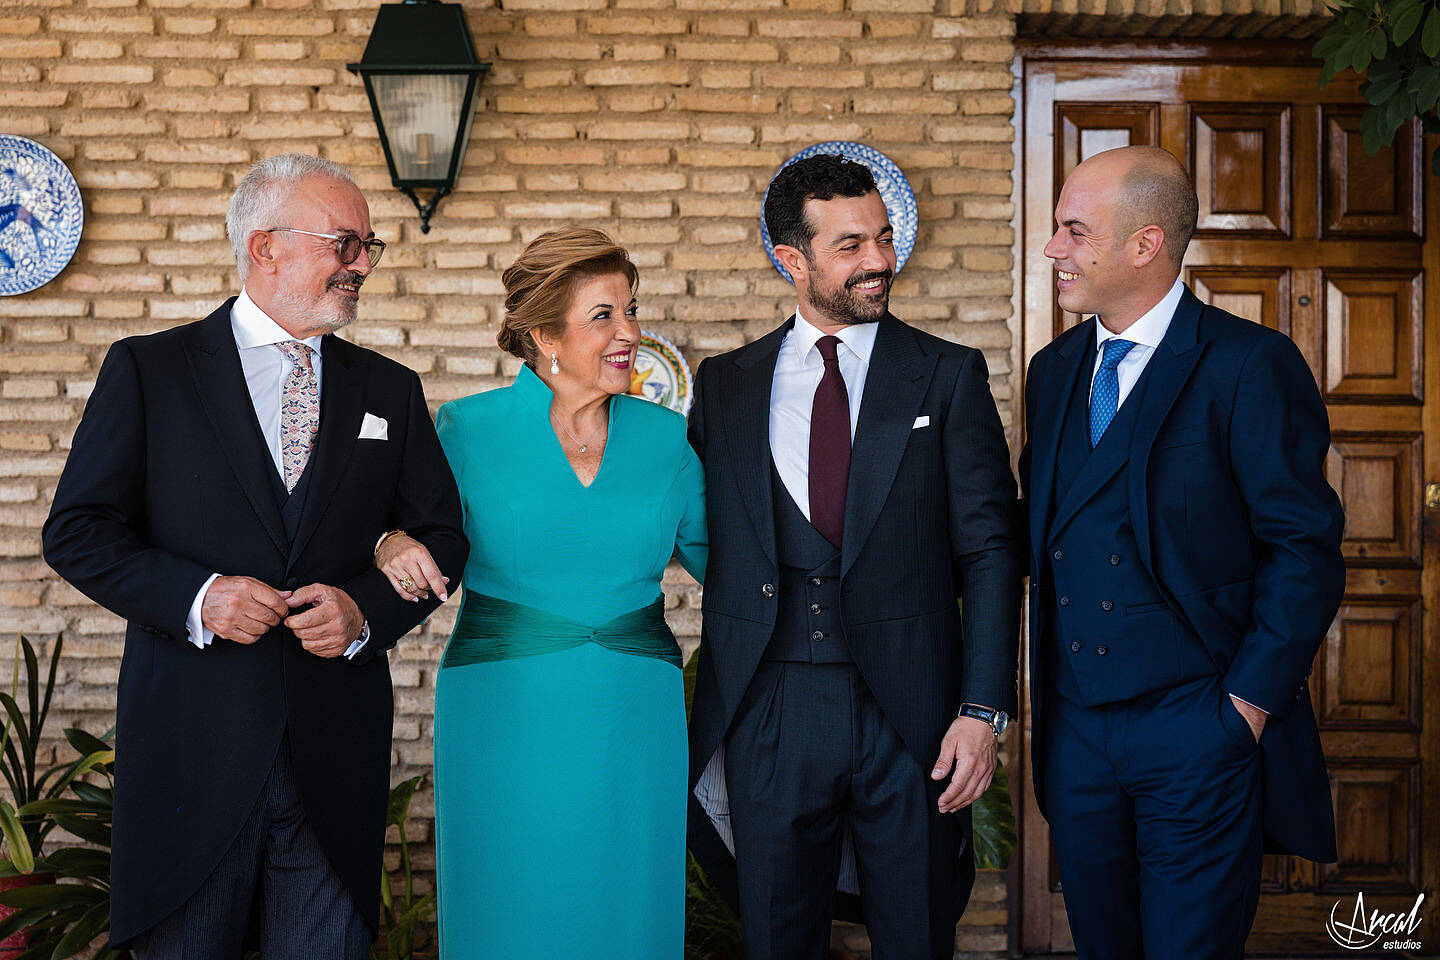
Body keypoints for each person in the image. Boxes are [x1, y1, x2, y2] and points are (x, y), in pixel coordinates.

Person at [41, 153, 468, 959]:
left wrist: (363, 613)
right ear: (265, 247)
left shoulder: (390, 389)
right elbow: (78, 530)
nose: (362, 265)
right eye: (345, 244)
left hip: (332, 757)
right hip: (190, 752)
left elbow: (443, 537)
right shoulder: (150, 370)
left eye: (369, 247)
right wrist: (200, 597)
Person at [685, 154, 1023, 960]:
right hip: (769, 706)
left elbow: (989, 552)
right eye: (849, 245)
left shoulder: (947, 375)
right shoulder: (726, 384)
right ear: (790, 260)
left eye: (882, 237)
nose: (878, 260)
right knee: (777, 936)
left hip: (912, 713)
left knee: (915, 933)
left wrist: (981, 713)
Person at [1019, 145, 1345, 959]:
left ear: (1145, 243)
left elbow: (1304, 547)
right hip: (1079, 736)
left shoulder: (1248, 364)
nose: (1053, 249)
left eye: (1072, 230)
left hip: (1199, 727)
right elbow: (1042, 529)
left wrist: (1246, 709)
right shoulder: (1055, 370)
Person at [375, 228, 707, 959]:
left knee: (626, 903)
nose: (630, 333)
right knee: (511, 905)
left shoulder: (665, 437)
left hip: (634, 714)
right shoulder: (465, 429)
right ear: (542, 335)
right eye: (604, 317)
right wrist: (387, 542)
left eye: (631, 310)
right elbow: (395, 529)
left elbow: (735, 566)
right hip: (506, 710)